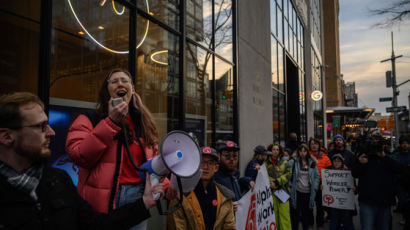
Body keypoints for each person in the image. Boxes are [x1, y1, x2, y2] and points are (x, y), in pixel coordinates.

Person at [0, 92, 163, 229]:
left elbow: (94, 225)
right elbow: (81, 154)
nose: (51, 132)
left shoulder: (59, 180)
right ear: (7, 137)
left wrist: (144, 203)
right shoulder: (89, 119)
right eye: (41, 127)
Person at [65, 68, 173, 230]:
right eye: (114, 81)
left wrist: (164, 184)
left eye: (125, 80)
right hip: (103, 200)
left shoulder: (143, 123)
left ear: (132, 90)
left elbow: (150, 162)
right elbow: (79, 156)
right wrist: (111, 123)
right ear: (106, 90)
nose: (120, 83)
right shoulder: (89, 119)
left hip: (138, 198)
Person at [167, 147, 236, 230]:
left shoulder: (225, 196)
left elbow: (229, 227)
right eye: (201, 162)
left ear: (216, 168)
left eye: (210, 163)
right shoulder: (180, 195)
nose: (205, 167)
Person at [352, 136, 403, 230]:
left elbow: (399, 169)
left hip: (385, 200)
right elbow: (355, 173)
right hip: (367, 200)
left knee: (384, 226)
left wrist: (385, 157)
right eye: (373, 142)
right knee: (367, 227)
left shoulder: (387, 156)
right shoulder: (364, 156)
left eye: (378, 142)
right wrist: (361, 163)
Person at [214, 140, 253, 211]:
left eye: (235, 156)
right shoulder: (214, 177)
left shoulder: (234, 174)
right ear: (218, 156)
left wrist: (247, 181)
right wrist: (226, 207)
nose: (231, 159)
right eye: (227, 156)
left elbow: (236, 185)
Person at [288, 144, 320, 230]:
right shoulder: (294, 162)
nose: (302, 153)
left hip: (308, 193)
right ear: (298, 152)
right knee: (296, 216)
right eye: (301, 151)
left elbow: (317, 176)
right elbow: (288, 174)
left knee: (306, 216)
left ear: (307, 152)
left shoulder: (312, 162)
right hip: (297, 192)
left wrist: (315, 187)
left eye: (304, 151)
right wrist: (291, 186)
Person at [265, 144, 292, 230]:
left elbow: (289, 174)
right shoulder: (266, 163)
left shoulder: (285, 162)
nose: (275, 151)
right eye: (273, 149)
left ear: (280, 151)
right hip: (271, 193)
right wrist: (271, 182)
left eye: (277, 149)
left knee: (285, 216)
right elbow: (264, 175)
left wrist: (277, 182)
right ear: (270, 150)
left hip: (283, 191)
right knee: (274, 216)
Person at [327, 154, 355, 230]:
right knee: (334, 223)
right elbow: (326, 186)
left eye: (339, 161)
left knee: (348, 222)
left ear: (342, 162)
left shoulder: (348, 172)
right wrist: (322, 187)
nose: (336, 163)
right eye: (335, 161)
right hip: (334, 204)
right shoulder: (328, 173)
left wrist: (354, 189)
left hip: (345, 204)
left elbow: (354, 187)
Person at [308, 138, 331, 229]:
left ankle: (320, 225)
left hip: (321, 185)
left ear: (319, 146)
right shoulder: (306, 156)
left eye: (316, 144)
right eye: (312, 144)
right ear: (309, 146)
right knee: (309, 206)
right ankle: (310, 224)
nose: (314, 145)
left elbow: (329, 173)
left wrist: (324, 183)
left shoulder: (325, 157)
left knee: (320, 207)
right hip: (309, 184)